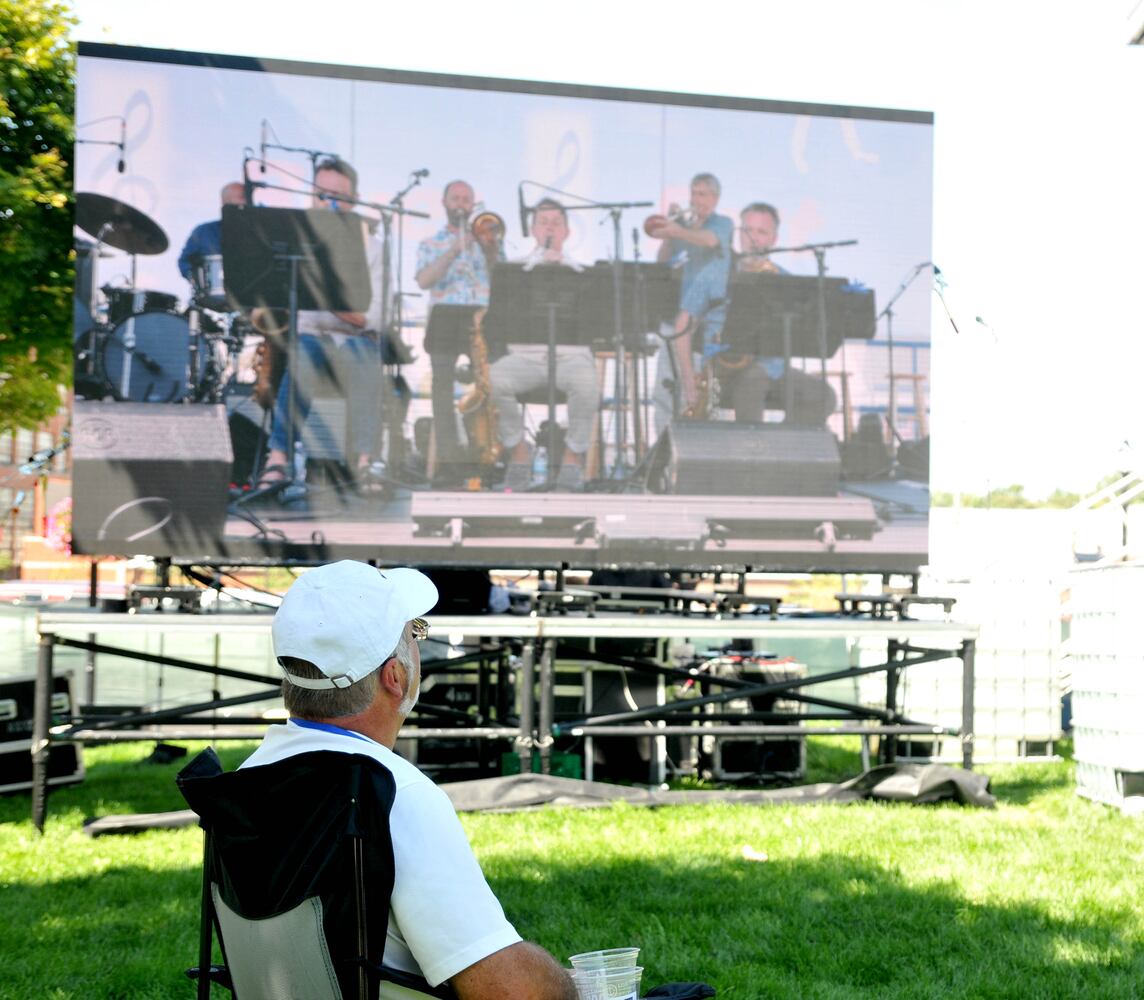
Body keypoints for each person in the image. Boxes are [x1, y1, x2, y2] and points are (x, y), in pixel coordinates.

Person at [242, 560, 577, 1000]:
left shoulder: (247, 779)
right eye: (415, 632)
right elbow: (511, 992)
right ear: (395, 677)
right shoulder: (392, 794)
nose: (419, 644)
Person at [262, 157, 386, 492]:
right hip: (312, 341)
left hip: (354, 341)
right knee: (303, 352)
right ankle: (278, 460)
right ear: (312, 197)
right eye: (322, 195)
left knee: (364, 353)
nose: (329, 203)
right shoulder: (295, 243)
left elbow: (373, 317)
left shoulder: (373, 249)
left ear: (354, 199)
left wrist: (330, 299)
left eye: (339, 196)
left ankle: (365, 463)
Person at [487, 199, 598, 492]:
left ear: (567, 232)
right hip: (526, 358)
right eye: (543, 221)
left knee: (587, 384)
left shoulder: (584, 275)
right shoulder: (512, 272)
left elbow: (595, 328)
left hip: (571, 359)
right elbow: (498, 320)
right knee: (494, 379)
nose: (550, 227)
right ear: (533, 230)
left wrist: (562, 268)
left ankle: (572, 459)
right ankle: (519, 453)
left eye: (556, 222)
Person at [415, 180, 500, 488]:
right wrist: (454, 250)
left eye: (467, 199)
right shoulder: (431, 242)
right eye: (456, 198)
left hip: (482, 319)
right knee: (441, 387)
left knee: (492, 385)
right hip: (445, 320)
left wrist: (490, 249)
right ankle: (449, 461)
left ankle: (487, 456)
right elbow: (424, 280)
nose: (461, 204)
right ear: (445, 203)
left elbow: (501, 280)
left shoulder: (486, 239)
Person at [726, 202, 836, 427]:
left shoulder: (785, 280)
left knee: (824, 396)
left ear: (774, 239)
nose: (753, 239)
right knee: (753, 380)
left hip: (770, 369)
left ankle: (780, 445)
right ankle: (750, 454)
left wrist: (765, 366)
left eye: (762, 232)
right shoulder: (720, 273)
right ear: (739, 234)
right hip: (725, 371)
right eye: (747, 231)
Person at [647, 173, 733, 435]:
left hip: (710, 309)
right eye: (693, 193)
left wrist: (679, 229)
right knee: (665, 392)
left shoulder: (722, 223)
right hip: (684, 309)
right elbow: (663, 261)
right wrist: (669, 235)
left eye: (703, 194)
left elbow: (708, 240)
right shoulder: (685, 227)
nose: (696, 200)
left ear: (715, 199)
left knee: (708, 399)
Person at [176, 181, 246, 284]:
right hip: (215, 297)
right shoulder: (204, 232)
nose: (246, 201)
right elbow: (185, 262)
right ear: (225, 201)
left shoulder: (260, 232)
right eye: (242, 197)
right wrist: (198, 281)